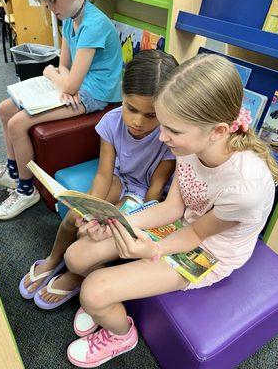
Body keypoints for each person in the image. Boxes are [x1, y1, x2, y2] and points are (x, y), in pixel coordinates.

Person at [63, 53, 278, 368]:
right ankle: (109, 297)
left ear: (218, 131)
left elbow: (194, 234)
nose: (162, 138)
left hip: (207, 253)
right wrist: (116, 220)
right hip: (181, 225)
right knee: (76, 256)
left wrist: (149, 248)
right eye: (162, 126)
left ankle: (121, 336)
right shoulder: (190, 145)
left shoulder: (245, 188)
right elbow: (173, 207)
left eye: (172, 131)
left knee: (94, 292)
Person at [19, 49, 178, 309]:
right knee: (75, 216)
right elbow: (104, 174)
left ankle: (76, 274)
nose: (137, 122)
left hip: (144, 191)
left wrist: (132, 215)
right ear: (122, 96)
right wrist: (88, 206)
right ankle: (52, 259)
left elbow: (155, 190)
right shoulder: (111, 122)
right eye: (131, 108)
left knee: (104, 228)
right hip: (118, 176)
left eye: (151, 115)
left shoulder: (169, 137)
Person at [0, 0, 123, 220]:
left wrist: (54, 75)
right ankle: (13, 170)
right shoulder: (70, 17)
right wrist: (60, 77)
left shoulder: (93, 24)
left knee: (19, 123)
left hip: (96, 94)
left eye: (53, 1)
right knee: (5, 108)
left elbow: (67, 78)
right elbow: (64, 67)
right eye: (46, 3)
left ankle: (26, 189)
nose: (50, 8)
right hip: (80, 87)